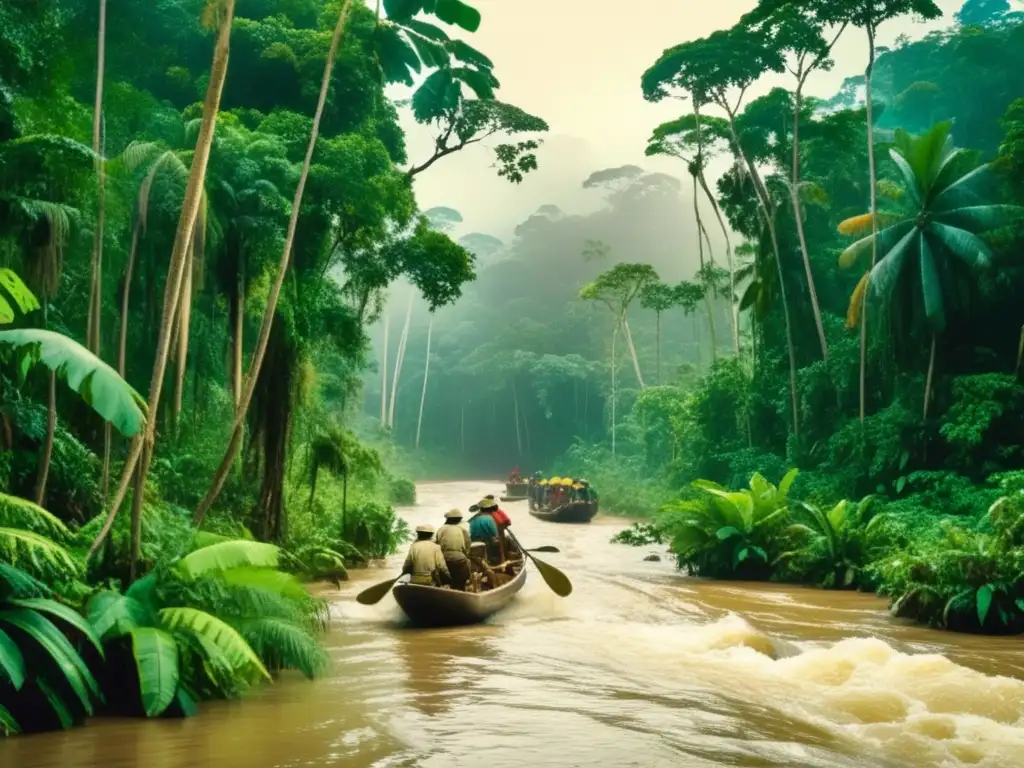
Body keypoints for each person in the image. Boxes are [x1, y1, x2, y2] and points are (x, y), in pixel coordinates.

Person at [435, 509, 471, 591]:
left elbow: (436, 545)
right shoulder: (462, 529)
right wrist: (466, 554)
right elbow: (468, 545)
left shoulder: (441, 529)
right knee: (467, 565)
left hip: (444, 558)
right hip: (460, 558)